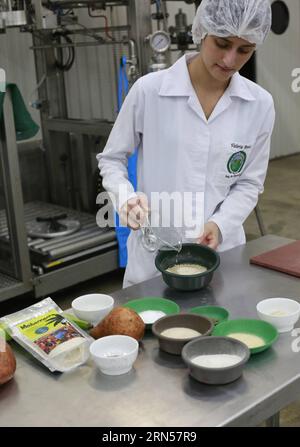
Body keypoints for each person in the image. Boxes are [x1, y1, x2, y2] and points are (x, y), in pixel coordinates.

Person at [97, 0, 275, 288]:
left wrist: (219, 225)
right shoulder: (149, 91)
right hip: (154, 257)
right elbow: (112, 158)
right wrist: (126, 199)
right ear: (202, 31)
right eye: (222, 43)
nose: (230, 60)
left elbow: (249, 183)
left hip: (222, 253)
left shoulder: (259, 104)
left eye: (244, 50)